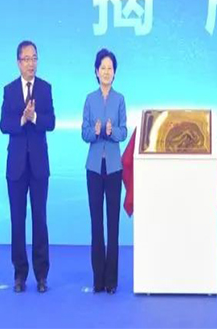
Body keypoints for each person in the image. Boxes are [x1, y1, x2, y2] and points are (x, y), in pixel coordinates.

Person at [0, 40, 56, 293]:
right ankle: (20, 274)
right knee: (17, 220)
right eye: (26, 59)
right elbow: (4, 124)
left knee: (40, 219)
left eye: (34, 58)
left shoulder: (45, 88)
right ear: (18, 62)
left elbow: (51, 122)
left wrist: (35, 117)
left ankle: (42, 275)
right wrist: (22, 119)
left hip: (39, 166)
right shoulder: (9, 90)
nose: (31, 63)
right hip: (16, 167)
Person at [81, 48, 128, 294]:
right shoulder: (90, 99)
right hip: (93, 168)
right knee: (96, 224)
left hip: (113, 168)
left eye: (110, 68)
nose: (106, 72)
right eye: (103, 68)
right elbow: (84, 133)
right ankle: (98, 279)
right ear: (96, 72)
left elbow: (124, 131)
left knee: (113, 224)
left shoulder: (120, 99)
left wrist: (112, 132)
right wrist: (96, 131)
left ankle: (112, 280)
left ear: (115, 73)